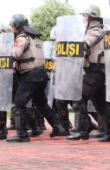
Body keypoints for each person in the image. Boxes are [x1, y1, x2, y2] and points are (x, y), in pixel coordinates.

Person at [7, 14, 68, 142]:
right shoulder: (35, 38)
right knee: (42, 104)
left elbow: (15, 55)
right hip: (41, 75)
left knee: (18, 104)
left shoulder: (21, 38)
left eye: (13, 25)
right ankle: (59, 127)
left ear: (18, 25)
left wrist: (2, 57)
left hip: (30, 76)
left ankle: (22, 135)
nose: (11, 28)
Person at [67, 5, 110, 142]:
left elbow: (88, 42)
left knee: (79, 98)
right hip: (97, 70)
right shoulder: (93, 29)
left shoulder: (95, 29)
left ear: (91, 16)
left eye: (85, 15)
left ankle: (82, 130)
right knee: (100, 103)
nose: (83, 18)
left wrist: (76, 47)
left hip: (96, 70)